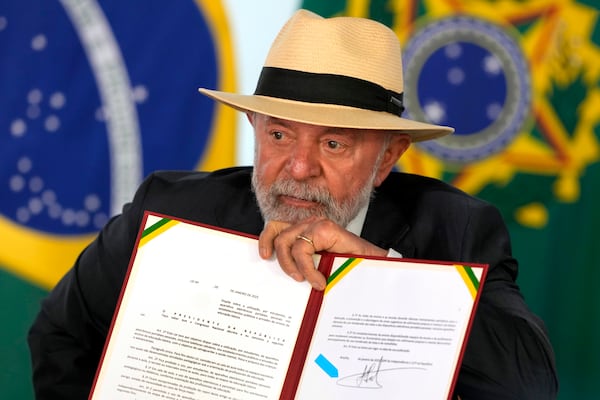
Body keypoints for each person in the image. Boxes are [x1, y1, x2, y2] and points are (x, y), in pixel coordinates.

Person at [28, 9, 558, 399]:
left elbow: (529, 387)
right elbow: (60, 336)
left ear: (388, 156)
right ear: (253, 128)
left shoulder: (458, 230)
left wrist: (377, 269)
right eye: (280, 135)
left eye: (332, 143)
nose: (299, 168)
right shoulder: (168, 212)